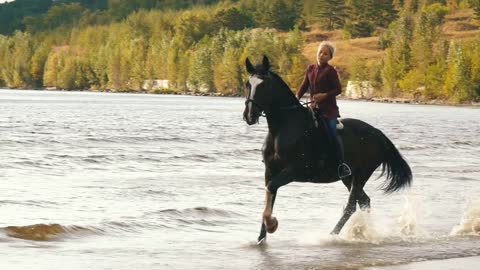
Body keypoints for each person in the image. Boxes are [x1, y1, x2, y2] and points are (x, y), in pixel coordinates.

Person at [296, 41, 351, 179]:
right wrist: (296, 98)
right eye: (320, 52)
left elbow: (338, 89)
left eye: (325, 54)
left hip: (329, 110)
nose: (321, 55)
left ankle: (341, 165)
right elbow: (304, 86)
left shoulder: (331, 71)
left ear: (330, 57)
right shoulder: (310, 68)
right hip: (313, 108)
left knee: (332, 132)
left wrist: (324, 95)